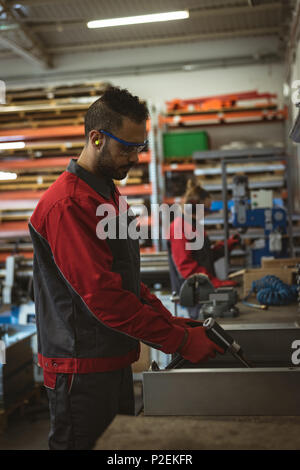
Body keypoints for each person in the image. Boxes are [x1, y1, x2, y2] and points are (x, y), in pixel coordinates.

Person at [29, 86, 223, 450]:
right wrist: (178, 340)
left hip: (113, 359)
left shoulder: (108, 194)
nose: (134, 157)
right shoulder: (69, 205)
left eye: (139, 147)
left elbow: (127, 280)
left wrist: (174, 323)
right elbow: (105, 297)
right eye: (126, 148)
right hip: (79, 371)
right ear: (96, 138)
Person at [168, 178, 240, 318]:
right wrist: (213, 282)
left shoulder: (194, 225)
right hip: (195, 292)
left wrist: (229, 244)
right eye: (206, 209)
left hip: (204, 288)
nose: (207, 214)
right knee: (202, 326)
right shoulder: (179, 227)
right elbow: (186, 266)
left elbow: (206, 256)